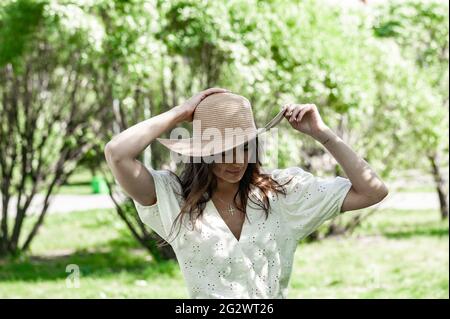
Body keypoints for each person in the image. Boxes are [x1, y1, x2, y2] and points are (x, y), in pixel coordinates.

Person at [104, 87, 389, 298]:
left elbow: (372, 191)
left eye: (244, 146)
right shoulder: (174, 197)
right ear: (203, 153)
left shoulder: (282, 193)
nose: (237, 160)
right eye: (224, 150)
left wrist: (322, 133)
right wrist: (181, 112)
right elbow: (117, 153)